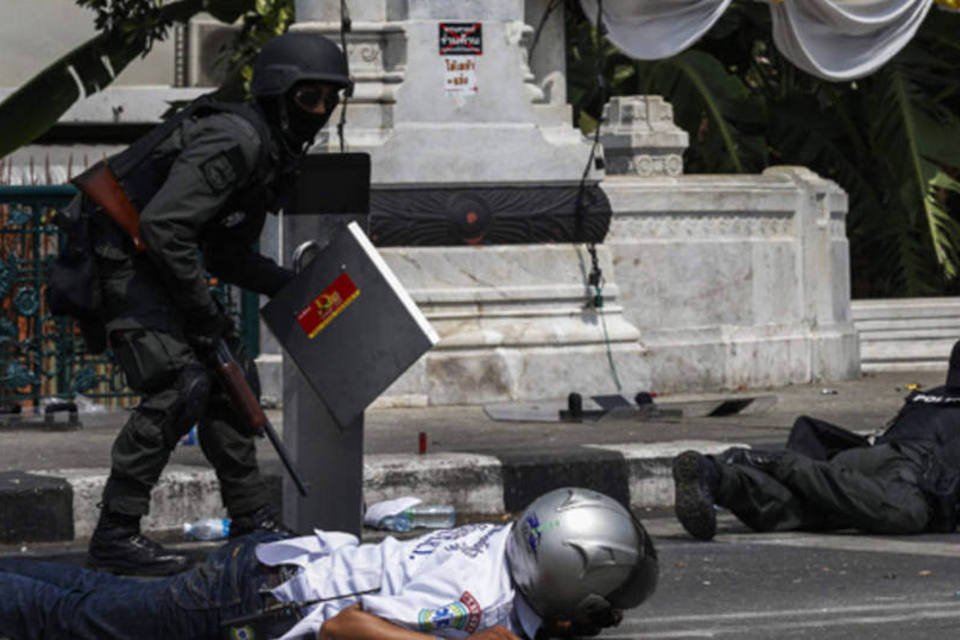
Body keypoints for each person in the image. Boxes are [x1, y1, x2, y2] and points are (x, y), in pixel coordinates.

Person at [82, 32, 353, 576]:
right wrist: (203, 317)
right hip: (124, 256)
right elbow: (163, 228)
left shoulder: (272, 153)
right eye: (309, 98)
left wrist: (285, 284)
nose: (320, 111)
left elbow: (225, 252)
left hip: (160, 258)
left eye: (330, 98)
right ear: (279, 95)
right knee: (182, 381)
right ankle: (115, 531)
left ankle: (250, 523)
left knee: (232, 377)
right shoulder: (236, 141)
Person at [0, 487, 659, 640]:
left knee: (94, 597)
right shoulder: (477, 601)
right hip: (257, 598)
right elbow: (347, 628)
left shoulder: (509, 540)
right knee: (80, 619)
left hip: (278, 563)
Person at [672, 341, 960, 541]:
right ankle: (771, 461)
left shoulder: (931, 396)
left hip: (862, 459)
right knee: (908, 512)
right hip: (907, 469)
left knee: (797, 510)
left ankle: (713, 475)